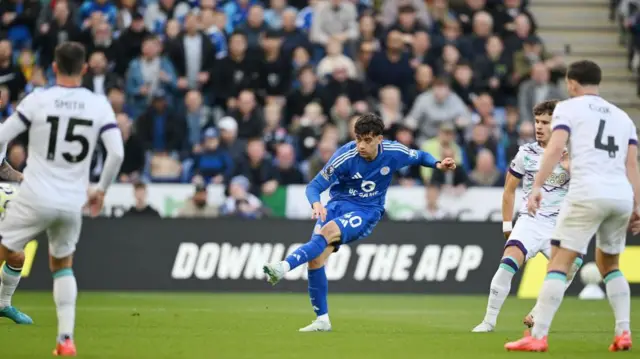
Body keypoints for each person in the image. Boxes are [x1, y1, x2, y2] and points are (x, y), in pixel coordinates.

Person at [262, 113, 456, 332]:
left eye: (367, 140)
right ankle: (322, 320)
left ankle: (282, 267)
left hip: (367, 211)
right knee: (315, 260)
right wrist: (316, 203)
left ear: (379, 139)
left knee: (326, 233)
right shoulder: (345, 156)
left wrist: (438, 164)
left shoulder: (393, 152)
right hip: (337, 206)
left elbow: (419, 156)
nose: (361, 145)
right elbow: (314, 187)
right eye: (358, 139)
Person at [0, 41, 124, 356]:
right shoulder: (98, 105)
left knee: (4, 248)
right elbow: (116, 153)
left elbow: (3, 135)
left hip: (34, 193)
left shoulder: (38, 100)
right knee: (62, 265)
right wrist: (100, 190)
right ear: (84, 69)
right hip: (72, 201)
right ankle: (65, 339)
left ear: (54, 67)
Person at [505, 60, 637, 352]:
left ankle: (537, 336)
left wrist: (537, 185)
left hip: (587, 191)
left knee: (559, 263)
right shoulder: (622, 117)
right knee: (610, 265)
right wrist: (637, 204)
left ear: (572, 83)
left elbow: (555, 147)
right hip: (620, 196)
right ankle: (623, 332)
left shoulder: (567, 108)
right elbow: (632, 164)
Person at [471, 100, 582, 333]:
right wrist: (506, 224)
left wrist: (570, 166)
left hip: (560, 226)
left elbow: (588, 188)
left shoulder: (574, 153)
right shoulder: (526, 152)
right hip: (531, 221)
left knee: (571, 266)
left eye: (546, 122)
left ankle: (537, 312)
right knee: (508, 262)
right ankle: (488, 321)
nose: (539, 127)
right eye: (537, 122)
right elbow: (509, 189)